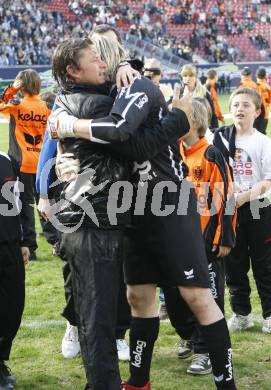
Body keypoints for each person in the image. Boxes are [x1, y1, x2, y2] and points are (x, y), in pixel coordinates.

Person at [52, 57, 237, 390]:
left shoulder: (136, 90)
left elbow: (132, 141)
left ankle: (227, 383)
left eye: (103, 57)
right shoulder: (101, 99)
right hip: (134, 213)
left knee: (197, 298)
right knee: (138, 297)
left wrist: (72, 125)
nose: (101, 64)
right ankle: (138, 382)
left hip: (170, 206)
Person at [44, 36, 192, 390]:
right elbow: (129, 137)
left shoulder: (79, 97)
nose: (103, 66)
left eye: (103, 59)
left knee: (104, 310)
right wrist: (179, 120)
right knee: (98, 315)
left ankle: (104, 380)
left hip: (100, 216)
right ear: (72, 69)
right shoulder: (89, 104)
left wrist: (130, 67)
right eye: (95, 60)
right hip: (92, 219)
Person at [163, 97, 236, 376]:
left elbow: (226, 197)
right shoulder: (171, 152)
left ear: (192, 121)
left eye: (176, 116)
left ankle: (205, 350)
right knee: (174, 298)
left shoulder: (211, 154)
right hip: (175, 239)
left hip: (204, 242)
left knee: (208, 298)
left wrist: (223, 237)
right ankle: (190, 336)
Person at [213, 88, 271, 333]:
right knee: (234, 265)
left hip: (258, 207)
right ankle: (242, 313)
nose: (239, 109)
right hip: (230, 209)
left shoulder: (262, 142)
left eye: (246, 105)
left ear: (257, 112)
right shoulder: (221, 139)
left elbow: (268, 180)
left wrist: (244, 197)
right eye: (236, 104)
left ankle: (269, 314)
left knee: (264, 263)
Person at [0, 70, 51, 260]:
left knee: (25, 205)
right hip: (43, 163)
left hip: (21, 164)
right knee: (46, 202)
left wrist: (13, 88)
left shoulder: (17, 105)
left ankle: (30, 247)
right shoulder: (47, 106)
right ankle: (56, 241)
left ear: (22, 84)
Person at [0, 152, 30, 390]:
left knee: (12, 308)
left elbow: (21, 202)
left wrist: (25, 241)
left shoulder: (6, 160)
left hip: (10, 247)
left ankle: (0, 360)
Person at [179, 64, 218, 130]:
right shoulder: (179, 94)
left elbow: (213, 115)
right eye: (185, 76)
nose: (188, 78)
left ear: (195, 77)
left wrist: (215, 131)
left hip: (204, 130)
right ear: (182, 78)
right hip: (185, 132)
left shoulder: (205, 92)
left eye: (191, 75)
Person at [239, 67, 266, 133]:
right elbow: (259, 100)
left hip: (244, 112)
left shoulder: (240, 86)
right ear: (250, 75)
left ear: (242, 75)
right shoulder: (255, 85)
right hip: (255, 110)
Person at [256, 67, 271, 134]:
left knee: (253, 134)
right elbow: (269, 100)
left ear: (257, 75)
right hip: (265, 114)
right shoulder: (267, 87)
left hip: (254, 113)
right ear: (265, 76)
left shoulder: (253, 86)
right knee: (262, 134)